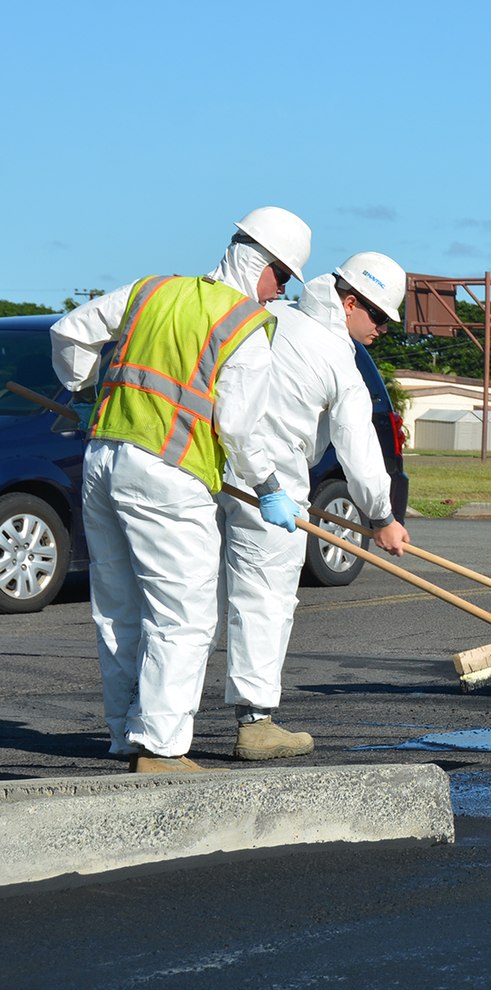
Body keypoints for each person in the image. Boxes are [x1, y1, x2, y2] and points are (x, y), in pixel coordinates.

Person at [50, 207, 312, 773]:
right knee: (183, 616)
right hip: (168, 476)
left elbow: (69, 331)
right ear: (261, 262)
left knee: (119, 609)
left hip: (102, 459)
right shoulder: (244, 325)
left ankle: (126, 734)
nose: (280, 292)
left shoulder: (152, 290)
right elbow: (238, 428)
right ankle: (162, 748)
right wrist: (269, 485)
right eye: (283, 277)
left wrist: (79, 385)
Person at [217, 252, 412, 760]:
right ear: (350, 303)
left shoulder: (270, 315)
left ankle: (143, 724)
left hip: (210, 467)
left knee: (185, 602)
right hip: (273, 481)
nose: (382, 331)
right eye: (380, 319)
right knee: (266, 597)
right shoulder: (334, 355)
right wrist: (382, 518)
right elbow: (359, 449)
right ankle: (255, 722)